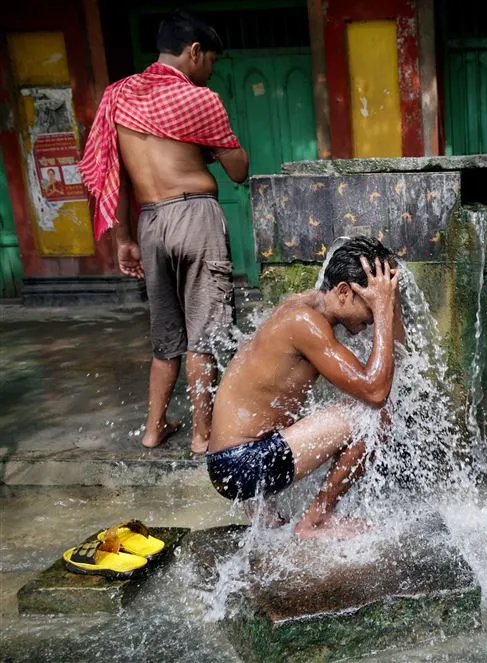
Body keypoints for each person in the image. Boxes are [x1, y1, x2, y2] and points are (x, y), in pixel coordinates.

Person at [81, 10, 248, 453]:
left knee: (165, 338)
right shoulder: (199, 101)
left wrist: (123, 240)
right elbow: (239, 170)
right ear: (194, 52)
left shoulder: (116, 98)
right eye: (210, 60)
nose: (210, 71)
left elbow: (108, 175)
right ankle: (202, 435)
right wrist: (209, 149)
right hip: (196, 217)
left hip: (150, 222)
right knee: (204, 335)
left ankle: (154, 428)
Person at [206, 237, 403, 538]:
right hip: (241, 465)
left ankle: (271, 521)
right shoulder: (305, 322)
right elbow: (376, 393)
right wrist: (383, 311)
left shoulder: (306, 307)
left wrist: (389, 304)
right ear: (343, 292)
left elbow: (397, 354)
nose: (373, 317)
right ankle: (316, 520)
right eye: (371, 305)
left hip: (233, 461)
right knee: (375, 417)